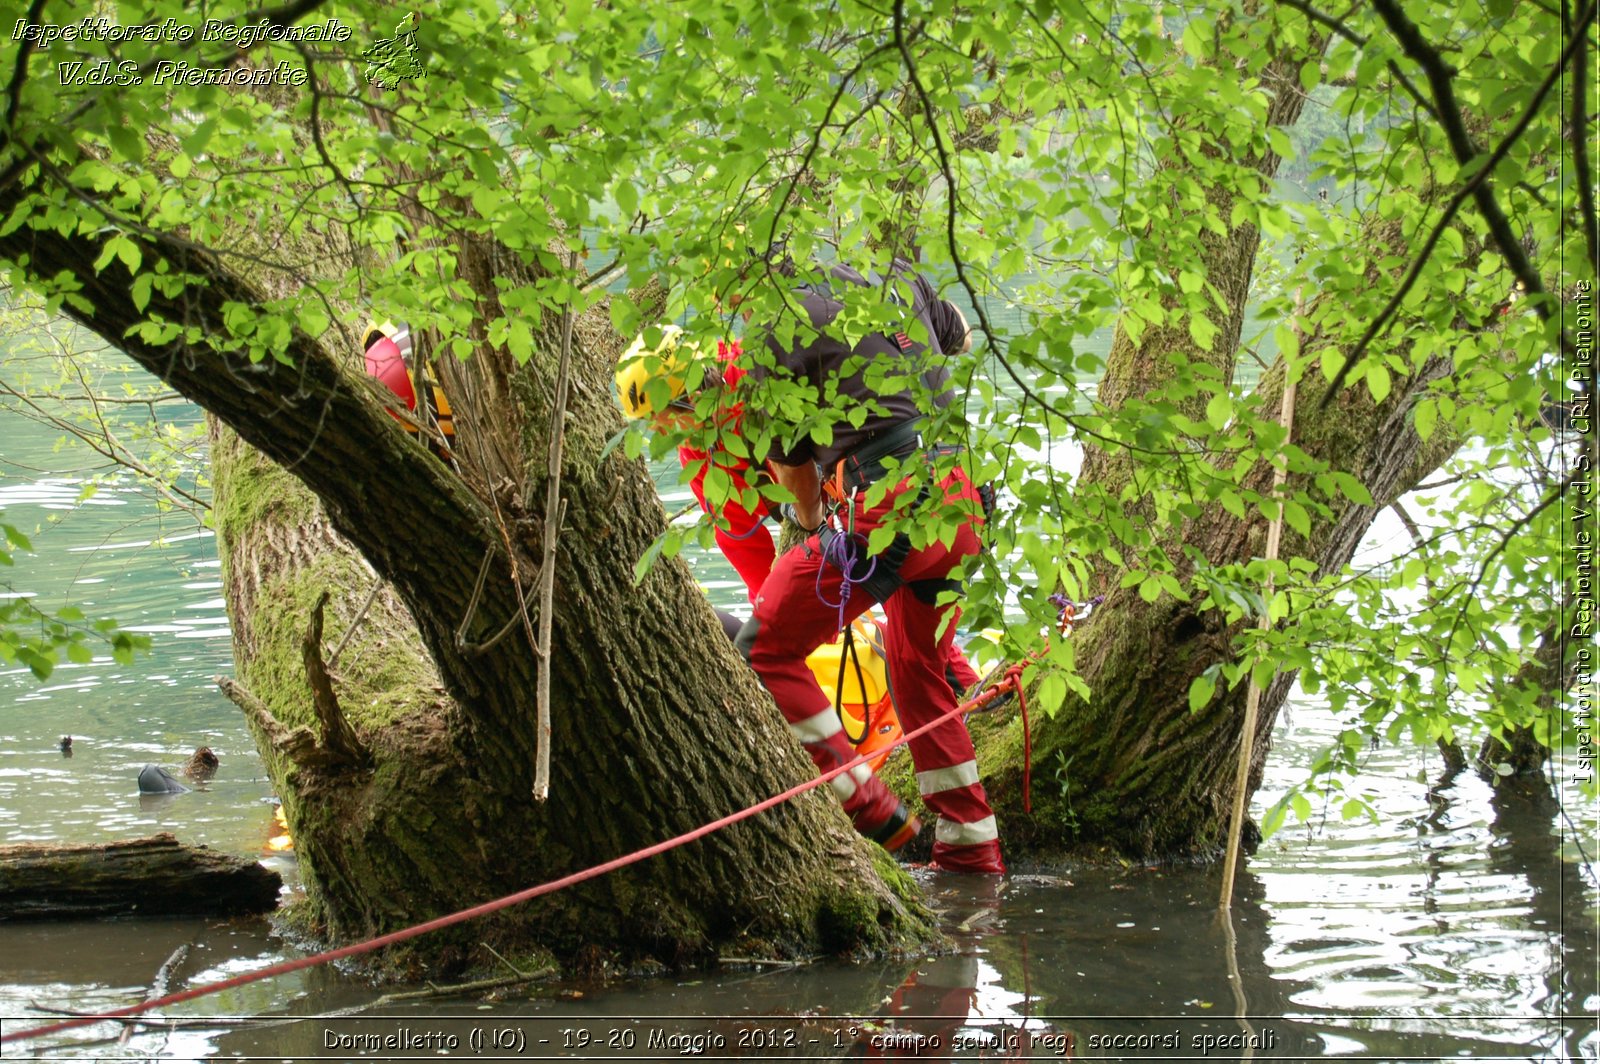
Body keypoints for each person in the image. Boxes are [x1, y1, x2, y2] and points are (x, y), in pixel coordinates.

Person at [731, 255, 1004, 875]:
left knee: (763, 649)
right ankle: (971, 854)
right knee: (918, 671)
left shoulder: (776, 321)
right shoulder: (894, 273)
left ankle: (867, 806)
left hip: (887, 509)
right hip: (962, 502)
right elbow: (958, 331)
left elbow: (793, 467)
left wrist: (805, 525)